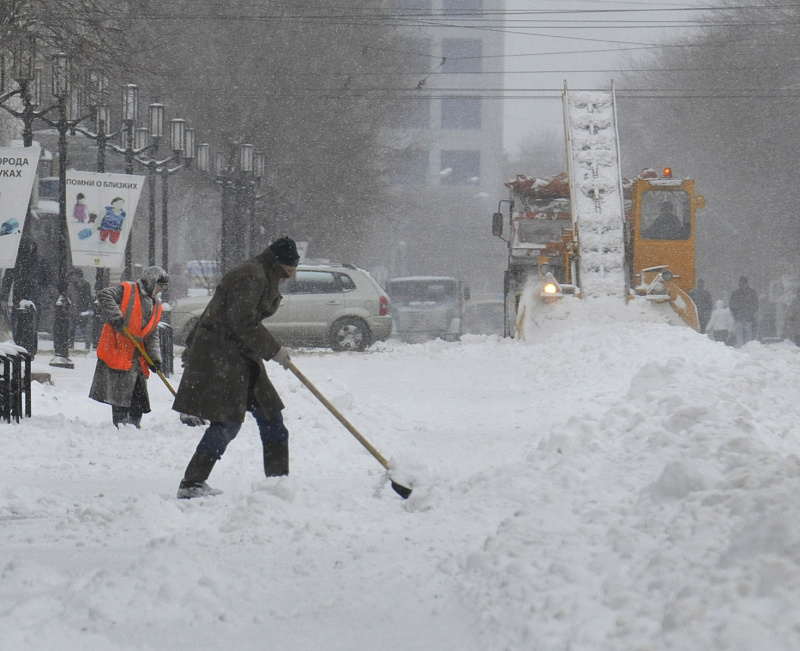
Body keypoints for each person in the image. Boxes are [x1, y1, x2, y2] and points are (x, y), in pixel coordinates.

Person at [173, 236, 300, 499]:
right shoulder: (251, 275)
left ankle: (277, 485)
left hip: (241, 357)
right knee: (228, 422)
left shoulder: (263, 274)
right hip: (222, 356)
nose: (291, 275)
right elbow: (241, 321)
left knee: (270, 415)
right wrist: (274, 350)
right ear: (279, 263)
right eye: (290, 269)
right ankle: (192, 483)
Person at [89, 266, 168, 428]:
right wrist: (116, 316)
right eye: (160, 285)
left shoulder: (156, 305)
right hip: (119, 347)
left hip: (137, 354)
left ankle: (134, 422)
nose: (161, 290)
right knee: (120, 391)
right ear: (151, 282)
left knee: (138, 391)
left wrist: (155, 358)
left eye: (163, 287)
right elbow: (104, 295)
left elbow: (151, 334)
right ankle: (121, 421)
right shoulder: (128, 290)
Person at [66, 268, 94, 350]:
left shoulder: (85, 285)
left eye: (74, 275)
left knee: (84, 328)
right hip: (73, 310)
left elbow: (86, 297)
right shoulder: (71, 285)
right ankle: (70, 344)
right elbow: (69, 296)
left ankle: (87, 345)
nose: (73, 278)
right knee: (71, 328)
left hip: (82, 310)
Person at [729, 275, 759, 347]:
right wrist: (752, 312)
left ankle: (742, 346)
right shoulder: (751, 292)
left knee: (741, 332)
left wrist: (735, 313)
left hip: (742, 316)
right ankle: (746, 346)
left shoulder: (735, 293)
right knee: (747, 332)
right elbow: (755, 304)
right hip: (745, 316)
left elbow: (731, 304)